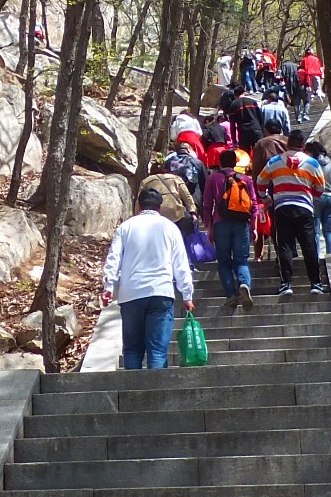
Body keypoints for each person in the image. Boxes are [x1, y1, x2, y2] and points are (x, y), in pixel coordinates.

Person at [103, 187, 194, 369]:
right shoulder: (170, 228)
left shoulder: (125, 227)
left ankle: (133, 393)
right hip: (161, 292)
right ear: (160, 208)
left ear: (138, 206)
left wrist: (108, 286)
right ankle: (156, 394)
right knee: (158, 351)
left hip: (131, 294)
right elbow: (181, 264)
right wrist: (187, 295)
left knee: (132, 350)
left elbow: (114, 257)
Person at [258, 130, 328, 295]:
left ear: (288, 144)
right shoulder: (312, 163)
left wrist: (265, 198)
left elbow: (260, 181)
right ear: (303, 146)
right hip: (304, 208)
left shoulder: (275, 161)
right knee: (309, 245)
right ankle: (316, 283)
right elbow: (320, 188)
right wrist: (312, 196)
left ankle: (286, 284)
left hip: (282, 207)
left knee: (284, 246)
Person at [201, 149, 256, 309]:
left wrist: (209, 227)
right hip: (241, 223)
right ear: (236, 162)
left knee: (224, 262)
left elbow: (207, 205)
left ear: (219, 162)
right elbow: (253, 204)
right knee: (241, 260)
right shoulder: (245, 179)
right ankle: (244, 285)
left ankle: (231, 294)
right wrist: (254, 227)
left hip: (220, 224)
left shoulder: (213, 178)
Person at [304, 137, 331, 255]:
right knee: (328, 231)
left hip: (316, 198)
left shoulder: (311, 165)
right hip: (330, 199)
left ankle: (317, 256)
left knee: (316, 231)